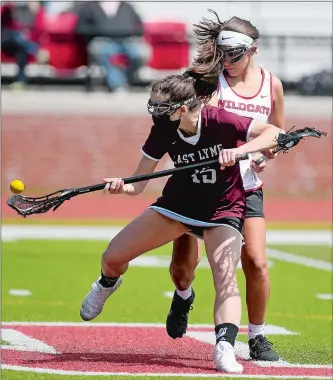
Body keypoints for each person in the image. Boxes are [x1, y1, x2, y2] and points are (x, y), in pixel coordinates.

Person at [79, 66, 282, 373]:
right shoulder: (163, 129)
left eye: (161, 107)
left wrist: (241, 152)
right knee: (112, 256)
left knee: (225, 277)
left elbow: (273, 133)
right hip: (177, 206)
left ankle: (225, 348)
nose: (155, 112)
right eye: (153, 106)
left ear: (184, 108)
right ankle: (108, 283)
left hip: (222, 210)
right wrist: (122, 185)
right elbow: (139, 184)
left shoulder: (219, 120)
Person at [165, 10, 285, 362]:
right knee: (183, 268)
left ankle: (258, 336)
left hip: (245, 186)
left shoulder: (271, 85)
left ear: (254, 50)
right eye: (223, 53)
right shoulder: (207, 83)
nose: (228, 61)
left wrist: (267, 153)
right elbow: (191, 129)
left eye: (236, 54)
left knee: (256, 261)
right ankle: (183, 295)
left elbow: (276, 135)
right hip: (201, 185)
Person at [74, 1, 147, 92]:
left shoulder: (128, 7)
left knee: (140, 53)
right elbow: (80, 28)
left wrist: (132, 33)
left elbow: (140, 27)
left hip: (127, 39)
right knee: (105, 52)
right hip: (102, 39)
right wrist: (100, 31)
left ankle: (127, 77)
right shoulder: (89, 7)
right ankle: (117, 84)